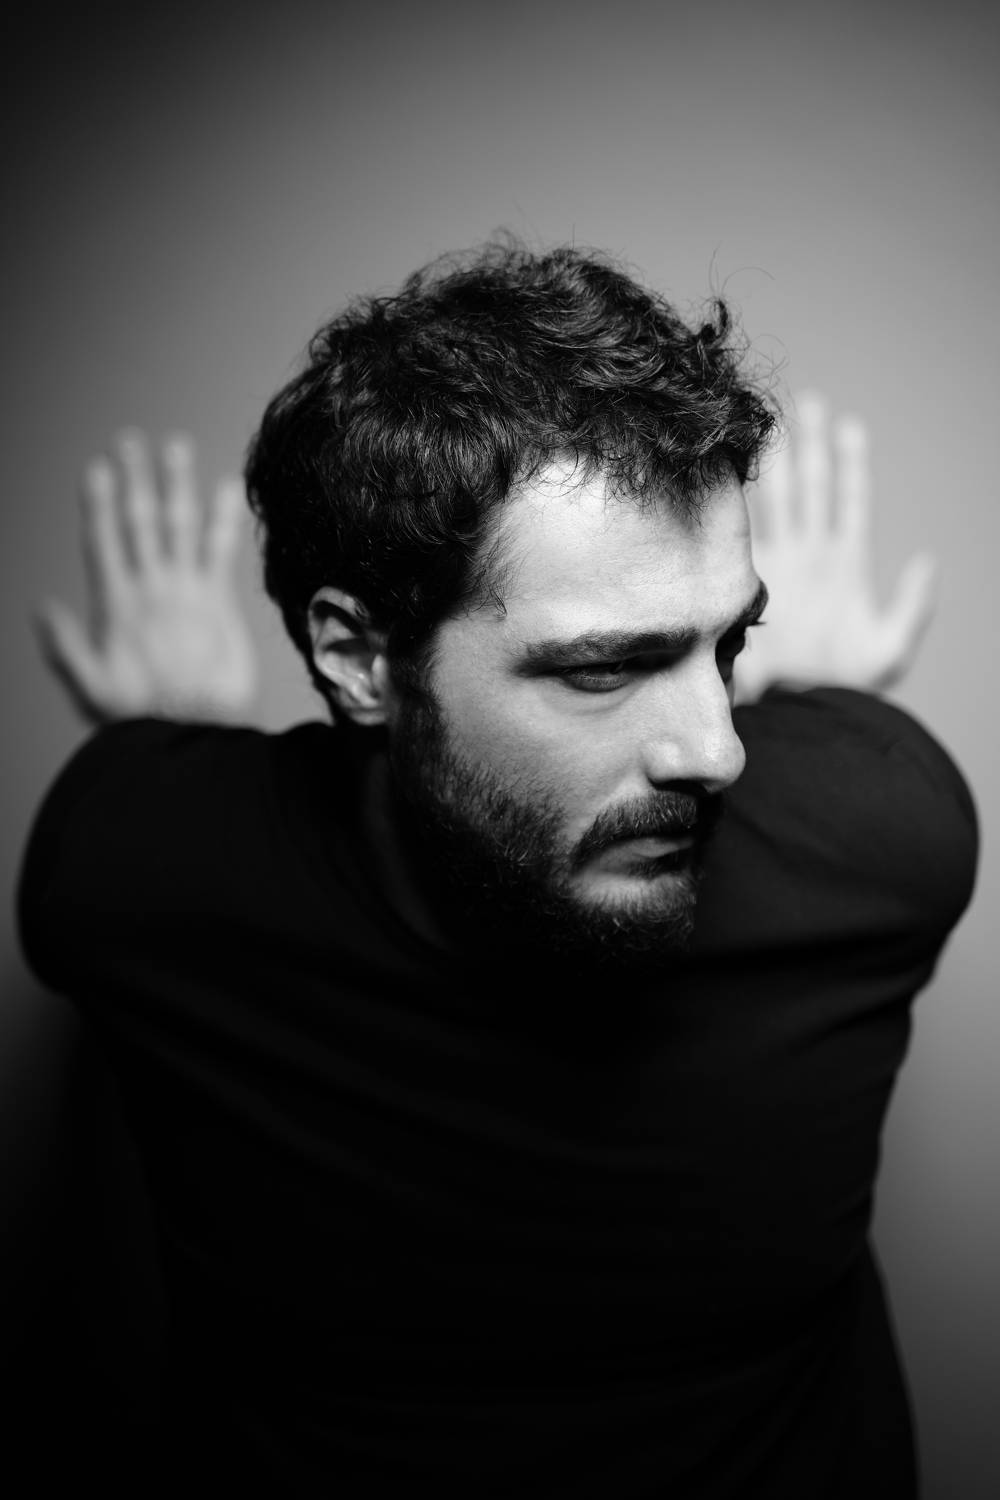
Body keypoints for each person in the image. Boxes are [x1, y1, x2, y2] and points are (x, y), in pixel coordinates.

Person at [19, 244, 977, 1497]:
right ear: (356, 657)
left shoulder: (137, 866)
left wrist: (171, 732)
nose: (721, 751)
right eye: (604, 667)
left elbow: (163, 831)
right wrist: (829, 698)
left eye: (731, 644)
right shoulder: (871, 815)